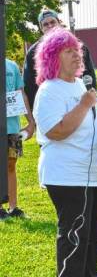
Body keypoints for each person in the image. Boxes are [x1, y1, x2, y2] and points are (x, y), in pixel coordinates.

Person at [33, 28, 97, 277]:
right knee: (74, 238)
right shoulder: (50, 90)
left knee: (91, 234)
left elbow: (92, 118)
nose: (77, 56)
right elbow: (55, 131)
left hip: (94, 172)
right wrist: (83, 105)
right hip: (68, 175)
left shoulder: (81, 84)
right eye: (68, 51)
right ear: (52, 57)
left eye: (77, 51)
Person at [23, 9, 97, 111]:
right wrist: (35, 110)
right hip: (51, 101)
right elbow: (29, 84)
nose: (50, 26)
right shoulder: (33, 52)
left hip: (78, 98)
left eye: (53, 22)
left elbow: (89, 74)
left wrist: (92, 100)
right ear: (41, 28)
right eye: (45, 24)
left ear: (59, 23)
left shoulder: (77, 45)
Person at [1, 58, 35, 219]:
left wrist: (30, 120)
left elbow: (21, 94)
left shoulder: (11, 65)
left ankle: (13, 207)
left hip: (12, 127)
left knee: (11, 165)